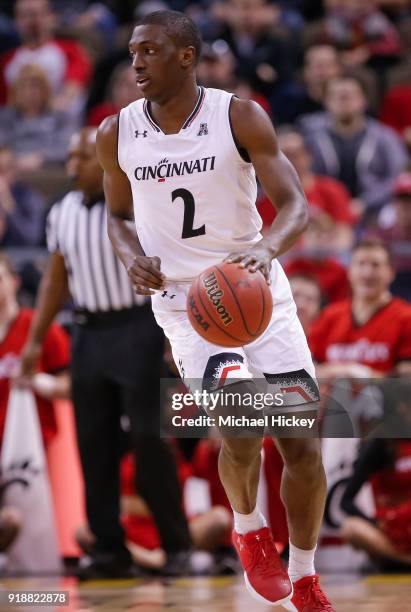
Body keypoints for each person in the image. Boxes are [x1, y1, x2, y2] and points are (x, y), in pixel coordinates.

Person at [97, 10, 334, 610]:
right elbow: (117, 218)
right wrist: (131, 256)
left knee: (302, 443)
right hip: (186, 302)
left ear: (185, 56)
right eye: (132, 52)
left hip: (258, 289)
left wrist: (265, 250)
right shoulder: (115, 133)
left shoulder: (238, 116)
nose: (137, 63)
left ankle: (305, 574)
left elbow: (296, 206)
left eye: (150, 51)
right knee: (242, 419)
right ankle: (250, 528)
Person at [20, 128, 192, 580]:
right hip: (88, 334)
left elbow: (173, 268)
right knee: (92, 445)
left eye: (81, 158)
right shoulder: (61, 213)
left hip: (139, 327)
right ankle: (108, 550)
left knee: (148, 440)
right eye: (70, 158)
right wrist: (35, 341)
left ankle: (177, 546)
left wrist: (177, 335)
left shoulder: (138, 207)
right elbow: (56, 282)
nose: (72, 166)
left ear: (105, 162)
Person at [303, 76, 408, 214]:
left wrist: (366, 203)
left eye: (349, 96)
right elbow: (303, 176)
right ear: (326, 102)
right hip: (322, 212)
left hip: (376, 213)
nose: (344, 101)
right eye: (337, 96)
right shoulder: (310, 137)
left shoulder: (385, 137)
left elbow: (399, 176)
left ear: (364, 100)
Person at [309, 240, 411, 380]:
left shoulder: (406, 317)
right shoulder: (329, 315)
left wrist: (364, 375)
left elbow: (405, 380)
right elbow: (309, 370)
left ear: (391, 272)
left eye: (376, 265)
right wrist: (346, 371)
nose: (367, 273)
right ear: (349, 270)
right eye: (361, 264)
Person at [0, 0, 92, 116]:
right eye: (26, 15)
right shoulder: (7, 61)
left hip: (58, 123)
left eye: (38, 14)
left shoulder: (71, 52)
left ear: (51, 17)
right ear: (16, 21)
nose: (33, 20)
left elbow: (72, 93)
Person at [0, 64, 76, 171]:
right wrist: (14, 159)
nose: (29, 92)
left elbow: (69, 148)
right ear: (15, 92)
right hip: (11, 172)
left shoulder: (61, 118)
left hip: (49, 173)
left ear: (45, 91)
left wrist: (42, 158)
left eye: (35, 86)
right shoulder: (5, 118)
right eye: (23, 87)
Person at [0, 147, 45, 247]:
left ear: (14, 170)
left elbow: (32, 239)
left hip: (22, 258)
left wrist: (9, 206)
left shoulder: (31, 197)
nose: (1, 176)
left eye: (5, 169)